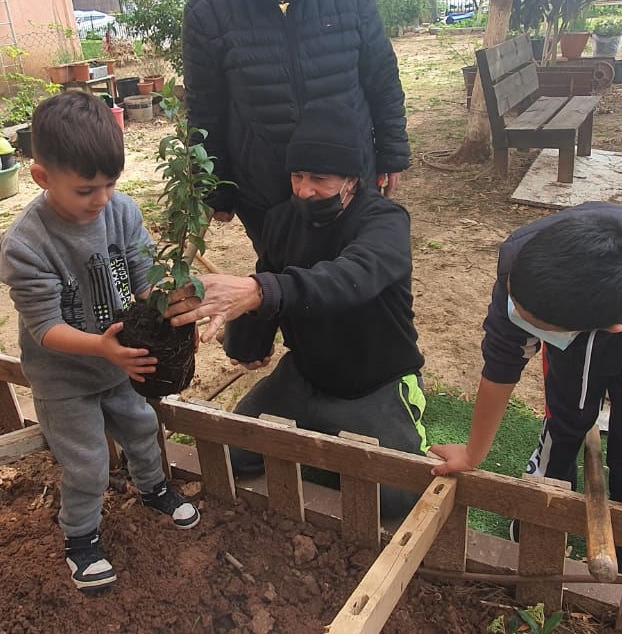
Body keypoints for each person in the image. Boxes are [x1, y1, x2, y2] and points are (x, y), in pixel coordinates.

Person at [164, 99, 427, 519]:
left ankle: (398, 417)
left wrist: (258, 291)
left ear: (351, 179)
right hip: (305, 376)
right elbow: (268, 277)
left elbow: (348, 278)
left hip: (373, 382)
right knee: (228, 456)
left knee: (397, 499)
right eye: (297, 176)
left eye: (319, 179)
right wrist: (250, 344)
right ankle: (316, 422)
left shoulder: (386, 223)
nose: (304, 190)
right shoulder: (281, 219)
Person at [0, 91, 199, 592]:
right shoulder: (27, 245)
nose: (102, 199)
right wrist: (102, 348)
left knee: (144, 427)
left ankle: (153, 489)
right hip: (64, 378)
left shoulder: (121, 212)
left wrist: (167, 299)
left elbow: (144, 276)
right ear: (43, 178)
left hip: (121, 363)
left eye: (110, 184)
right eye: (87, 189)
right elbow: (45, 328)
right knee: (87, 464)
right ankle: (80, 539)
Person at [430, 203, 622, 551]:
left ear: (603, 329)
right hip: (576, 320)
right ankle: (549, 483)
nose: (517, 318)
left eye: (537, 327)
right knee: (568, 408)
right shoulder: (522, 260)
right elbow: (501, 360)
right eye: (517, 308)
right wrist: (473, 453)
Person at [182, 0, 409, 251]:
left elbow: (380, 75)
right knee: (282, 289)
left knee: (351, 282)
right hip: (266, 190)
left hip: (348, 178)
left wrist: (392, 152)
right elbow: (205, 111)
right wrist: (216, 188)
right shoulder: (208, 12)